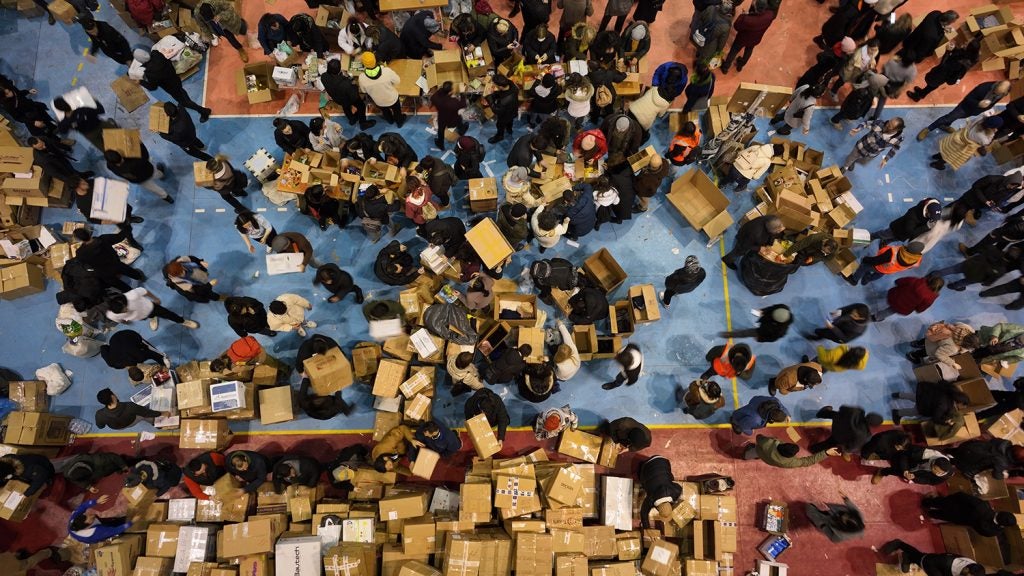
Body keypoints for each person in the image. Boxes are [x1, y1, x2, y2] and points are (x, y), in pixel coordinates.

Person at [917, 80, 1011, 140]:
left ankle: (945, 126)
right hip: (965, 107)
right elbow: (968, 98)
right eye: (996, 92)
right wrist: (978, 104)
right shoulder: (983, 88)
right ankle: (928, 129)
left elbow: (993, 102)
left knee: (954, 118)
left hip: (973, 111)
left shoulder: (1001, 93)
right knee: (948, 117)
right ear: (997, 85)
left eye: (999, 94)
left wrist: (984, 109)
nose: (996, 94)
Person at [907, 35, 982, 102]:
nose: (965, 42)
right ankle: (922, 93)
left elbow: (944, 64)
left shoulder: (962, 62)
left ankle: (917, 97)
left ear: (969, 47)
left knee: (931, 83)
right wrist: (954, 49)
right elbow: (957, 55)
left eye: (967, 43)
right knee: (931, 86)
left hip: (941, 74)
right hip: (944, 75)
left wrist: (947, 51)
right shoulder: (970, 55)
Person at [73, 228, 145, 290]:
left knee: (118, 284)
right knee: (126, 270)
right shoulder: (104, 239)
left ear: (78, 240)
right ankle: (139, 276)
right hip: (115, 263)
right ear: (89, 232)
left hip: (103, 271)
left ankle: (131, 292)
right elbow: (119, 237)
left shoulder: (80, 253)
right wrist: (126, 228)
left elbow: (84, 265)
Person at [922, 492, 1019, 538]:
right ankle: (931, 513)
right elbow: (982, 532)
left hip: (954, 505)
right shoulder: (993, 531)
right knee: (943, 515)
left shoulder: (983, 506)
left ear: (1000, 512)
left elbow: (962, 496)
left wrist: (951, 497)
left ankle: (926, 502)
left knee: (940, 503)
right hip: (961, 519)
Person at [106, 287, 200, 331]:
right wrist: (125, 322)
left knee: (168, 314)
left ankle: (182, 321)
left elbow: (145, 291)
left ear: (123, 303)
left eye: (125, 309)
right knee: (147, 317)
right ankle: (153, 318)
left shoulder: (132, 296)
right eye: (123, 312)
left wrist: (155, 298)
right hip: (140, 316)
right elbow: (119, 320)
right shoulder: (111, 314)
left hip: (151, 307)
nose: (126, 311)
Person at [930, 115, 1001, 171]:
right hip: (963, 146)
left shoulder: (980, 118)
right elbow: (986, 143)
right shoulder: (983, 137)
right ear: (992, 128)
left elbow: (970, 123)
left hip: (959, 137)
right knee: (950, 156)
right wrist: (992, 134)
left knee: (948, 149)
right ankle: (938, 164)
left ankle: (937, 155)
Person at [721, 0, 775, 74]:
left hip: (742, 38)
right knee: (748, 51)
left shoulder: (747, 19)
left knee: (734, 51)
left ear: (755, 7)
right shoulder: (770, 15)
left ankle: (725, 67)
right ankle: (740, 66)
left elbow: (736, 26)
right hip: (755, 39)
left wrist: (743, 15)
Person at [104, 147, 172, 203]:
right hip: (149, 171)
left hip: (139, 180)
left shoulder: (110, 166)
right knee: (157, 174)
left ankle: (166, 197)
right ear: (119, 155)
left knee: (154, 189)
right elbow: (146, 157)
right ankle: (162, 175)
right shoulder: (134, 161)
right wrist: (140, 144)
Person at [878, 540, 983, 576]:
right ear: (966, 569)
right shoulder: (947, 563)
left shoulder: (971, 565)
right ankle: (900, 544)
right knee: (920, 558)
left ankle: (909, 557)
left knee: (918, 557)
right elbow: (930, 567)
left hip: (942, 564)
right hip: (934, 562)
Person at [321, 60, 374, 131]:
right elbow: (354, 96)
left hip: (337, 98)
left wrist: (342, 77)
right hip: (348, 98)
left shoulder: (323, 77)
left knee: (345, 107)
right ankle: (363, 124)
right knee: (361, 106)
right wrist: (352, 81)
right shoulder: (345, 83)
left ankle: (352, 119)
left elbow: (333, 82)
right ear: (339, 69)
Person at [906, 321, 979, 371]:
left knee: (924, 341)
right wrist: (953, 363)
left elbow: (957, 323)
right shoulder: (953, 348)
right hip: (932, 347)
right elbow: (939, 354)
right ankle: (912, 355)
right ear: (966, 345)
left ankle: (916, 343)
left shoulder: (966, 328)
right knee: (923, 352)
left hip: (934, 335)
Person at [810, 405, 882, 455]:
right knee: (829, 443)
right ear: (872, 425)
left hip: (837, 423)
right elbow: (851, 447)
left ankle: (822, 413)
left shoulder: (858, 411)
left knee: (836, 415)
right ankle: (814, 449)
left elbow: (842, 408)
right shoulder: (864, 435)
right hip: (839, 437)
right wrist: (845, 449)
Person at [846, 241, 924, 286]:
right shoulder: (917, 260)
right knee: (880, 274)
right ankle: (866, 280)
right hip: (890, 269)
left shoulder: (893, 253)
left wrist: (866, 259)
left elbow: (877, 261)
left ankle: (854, 280)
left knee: (864, 266)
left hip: (880, 266)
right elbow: (909, 267)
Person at [359, 53, 404, 126]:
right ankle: (399, 122)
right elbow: (397, 81)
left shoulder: (361, 77)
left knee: (385, 112)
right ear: (375, 60)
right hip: (392, 98)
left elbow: (364, 91)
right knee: (397, 111)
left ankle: (390, 121)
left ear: (363, 63)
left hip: (379, 101)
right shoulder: (386, 71)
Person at [872, 275, 944, 322]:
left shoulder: (916, 281)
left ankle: (877, 295)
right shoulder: (930, 298)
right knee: (889, 311)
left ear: (930, 279)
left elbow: (899, 281)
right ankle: (876, 317)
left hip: (895, 295)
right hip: (903, 307)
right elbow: (920, 309)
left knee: (887, 294)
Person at [872, 198, 942, 244]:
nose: (932, 219)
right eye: (931, 216)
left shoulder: (932, 205)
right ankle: (873, 236)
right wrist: (926, 227)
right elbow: (910, 232)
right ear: (926, 210)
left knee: (893, 239)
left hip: (903, 235)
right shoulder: (912, 215)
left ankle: (884, 242)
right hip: (896, 230)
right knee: (884, 234)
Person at [638, 455, 682, 526]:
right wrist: (646, 527)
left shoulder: (675, 492)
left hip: (664, 460)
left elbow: (679, 487)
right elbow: (643, 512)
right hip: (647, 464)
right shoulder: (651, 498)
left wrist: (676, 499)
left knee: (670, 479)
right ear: (658, 509)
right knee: (643, 483)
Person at [741, 434, 836, 467]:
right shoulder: (790, 462)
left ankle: (745, 456)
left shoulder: (769, 443)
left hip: (760, 451)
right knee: (759, 454)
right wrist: (826, 453)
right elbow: (808, 461)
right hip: (767, 460)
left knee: (751, 452)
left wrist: (772, 439)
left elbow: (759, 438)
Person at [100, 329, 170, 370]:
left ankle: (162, 360)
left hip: (129, 335)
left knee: (147, 347)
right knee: (142, 351)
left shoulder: (140, 357)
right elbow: (103, 347)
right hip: (114, 339)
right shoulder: (112, 363)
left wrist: (163, 360)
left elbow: (152, 354)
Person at [94, 388, 162, 429]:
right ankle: (156, 424)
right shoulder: (130, 406)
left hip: (117, 428)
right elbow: (147, 413)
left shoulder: (99, 414)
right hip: (132, 421)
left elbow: (101, 426)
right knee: (143, 416)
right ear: (112, 396)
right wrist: (162, 413)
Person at [720, 304, 793, 343]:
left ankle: (731, 334)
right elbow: (772, 307)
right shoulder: (783, 307)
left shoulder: (779, 331)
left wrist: (760, 339)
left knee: (746, 333)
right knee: (747, 332)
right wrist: (763, 311)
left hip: (761, 332)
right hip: (765, 322)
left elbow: (771, 338)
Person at [62, 452, 130, 493]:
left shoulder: (98, 460)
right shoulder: (70, 475)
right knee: (106, 472)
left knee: (112, 465)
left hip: (99, 464)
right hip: (97, 471)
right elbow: (78, 481)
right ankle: (116, 468)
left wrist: (123, 465)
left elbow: (113, 456)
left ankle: (120, 464)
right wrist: (88, 487)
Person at [430, 82, 467, 150]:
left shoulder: (435, 98)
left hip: (442, 117)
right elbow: (463, 104)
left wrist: (443, 89)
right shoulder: (453, 102)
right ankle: (462, 130)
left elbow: (434, 96)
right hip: (453, 118)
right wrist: (462, 92)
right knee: (459, 122)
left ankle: (440, 144)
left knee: (441, 130)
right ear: (450, 91)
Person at [486, 74, 519, 144]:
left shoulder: (504, 101)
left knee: (500, 125)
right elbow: (503, 93)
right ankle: (509, 129)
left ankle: (499, 136)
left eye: (495, 85)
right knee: (510, 121)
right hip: (513, 110)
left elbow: (495, 110)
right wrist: (494, 93)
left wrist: (489, 96)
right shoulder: (511, 84)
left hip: (505, 115)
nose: (494, 86)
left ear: (500, 86)